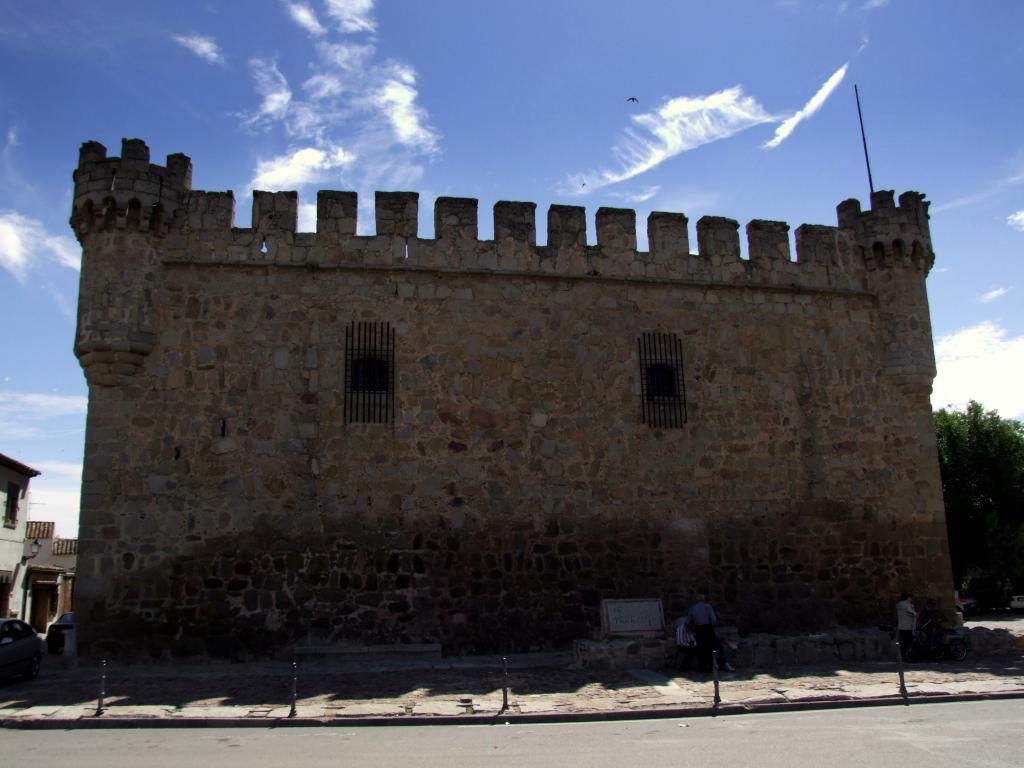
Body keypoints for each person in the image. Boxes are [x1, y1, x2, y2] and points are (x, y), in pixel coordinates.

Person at [686, 591, 733, 672]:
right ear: (704, 598)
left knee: (701, 649)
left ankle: (702, 667)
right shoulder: (708, 607)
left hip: (698, 630)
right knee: (711, 648)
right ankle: (712, 666)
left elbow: (688, 621)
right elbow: (713, 620)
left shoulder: (693, 608)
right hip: (707, 629)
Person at [895, 592, 917, 660]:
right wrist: (916, 613)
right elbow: (912, 613)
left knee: (903, 643)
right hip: (908, 627)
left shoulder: (898, 605)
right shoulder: (907, 605)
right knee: (908, 643)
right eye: (911, 598)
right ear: (908, 598)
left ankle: (902, 657)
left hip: (901, 626)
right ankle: (907, 657)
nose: (912, 599)